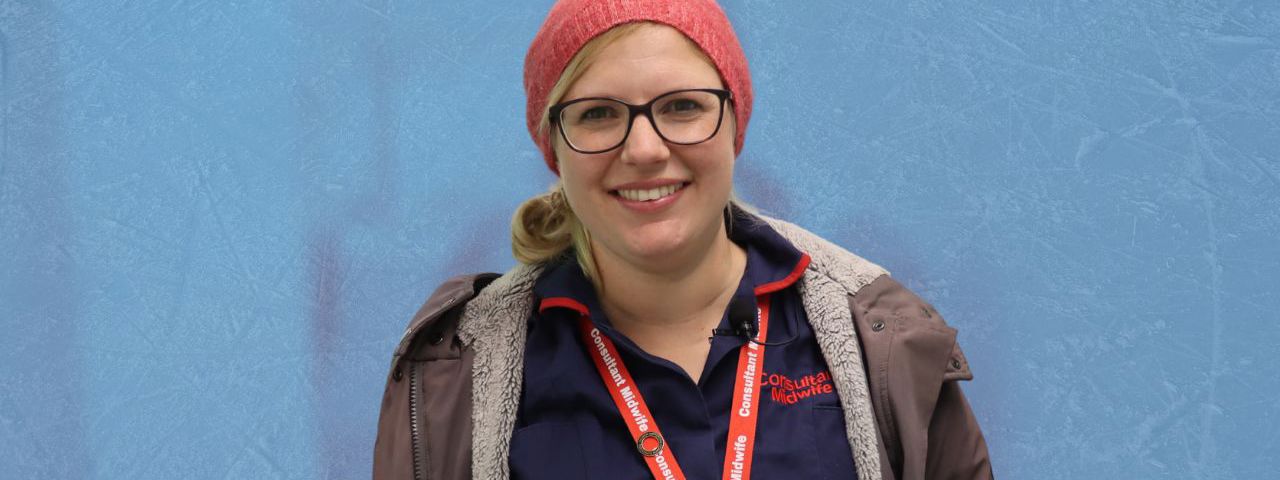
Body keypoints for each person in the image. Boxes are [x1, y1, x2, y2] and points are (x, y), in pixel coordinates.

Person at [372, 1, 992, 479]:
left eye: (682, 107)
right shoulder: (455, 368)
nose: (644, 149)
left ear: (734, 125)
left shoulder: (879, 338)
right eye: (597, 113)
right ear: (554, 150)